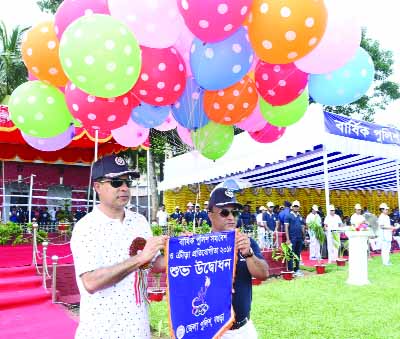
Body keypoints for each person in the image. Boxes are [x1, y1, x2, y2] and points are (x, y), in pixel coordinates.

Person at [70, 154, 167, 339]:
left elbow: (155, 264)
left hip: (138, 329)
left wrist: (185, 250)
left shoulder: (139, 221)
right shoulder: (86, 228)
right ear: (97, 187)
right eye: (116, 182)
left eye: (127, 182)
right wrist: (140, 258)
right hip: (101, 331)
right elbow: (91, 282)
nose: (124, 188)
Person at [207, 187, 268, 338]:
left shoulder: (247, 243)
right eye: (224, 212)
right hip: (213, 331)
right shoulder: (199, 247)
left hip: (243, 329)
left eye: (235, 212)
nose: (231, 217)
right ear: (210, 215)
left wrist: (248, 254)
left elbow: (263, 274)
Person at [284, 200, 305, 277]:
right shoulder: (288, 216)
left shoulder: (300, 216)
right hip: (292, 238)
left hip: (299, 238)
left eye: (297, 206)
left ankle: (297, 269)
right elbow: (286, 228)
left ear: (299, 207)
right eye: (295, 206)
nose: (296, 207)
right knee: (290, 254)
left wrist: (304, 237)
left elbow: (303, 227)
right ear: (292, 207)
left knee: (297, 254)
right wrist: (288, 239)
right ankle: (291, 270)